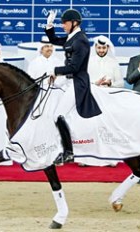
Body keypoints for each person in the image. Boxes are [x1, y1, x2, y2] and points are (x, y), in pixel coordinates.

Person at [45, 8, 102, 164]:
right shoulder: (73, 37)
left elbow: (75, 68)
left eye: (65, 23)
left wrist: (55, 70)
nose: (62, 25)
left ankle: (68, 152)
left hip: (78, 82)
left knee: (58, 115)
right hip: (68, 80)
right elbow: (56, 41)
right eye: (62, 23)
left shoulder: (81, 40)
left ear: (74, 23)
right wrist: (49, 25)